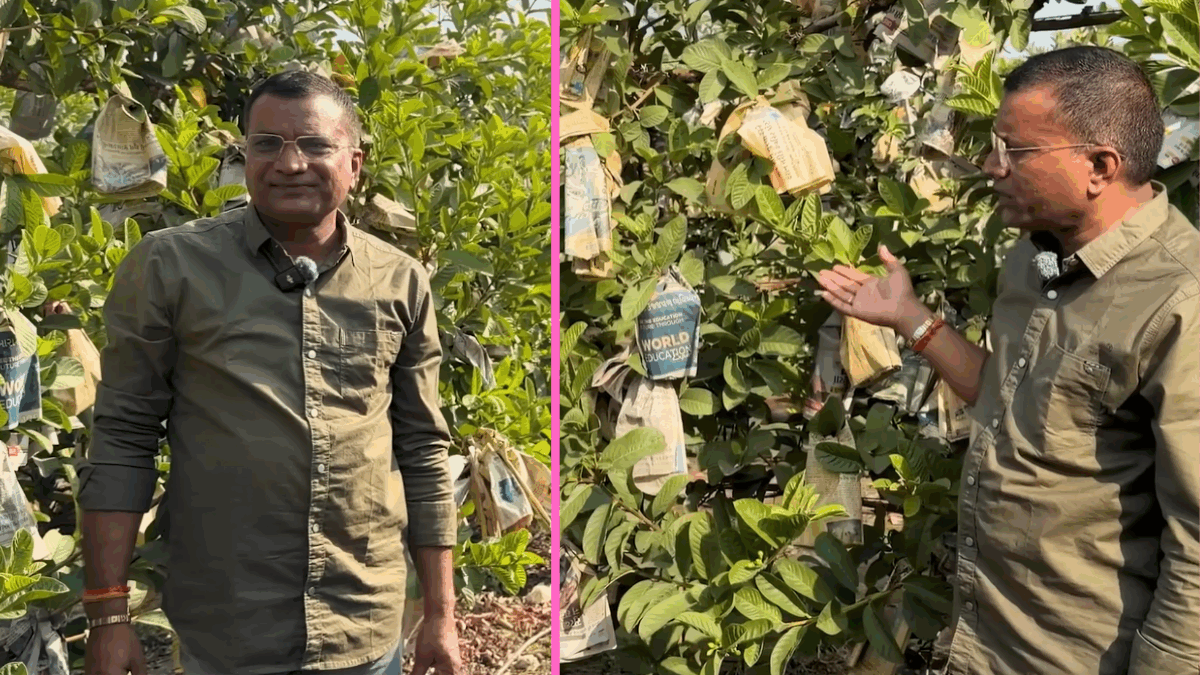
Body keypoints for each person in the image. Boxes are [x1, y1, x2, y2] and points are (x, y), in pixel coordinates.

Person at [817, 46, 1198, 675]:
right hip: (990, 637)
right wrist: (912, 319)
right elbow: (1011, 395)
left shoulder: (1181, 300)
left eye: (1015, 152)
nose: (992, 168)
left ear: (1100, 166)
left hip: (1086, 654)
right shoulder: (1036, 259)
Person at [76, 70, 464, 675]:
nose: (289, 163)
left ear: (354, 164)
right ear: (246, 155)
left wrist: (440, 613)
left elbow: (421, 448)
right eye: (266, 144)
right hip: (227, 627)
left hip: (362, 623)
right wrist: (107, 614)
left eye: (314, 144)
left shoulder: (400, 280)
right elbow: (123, 437)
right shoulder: (171, 266)